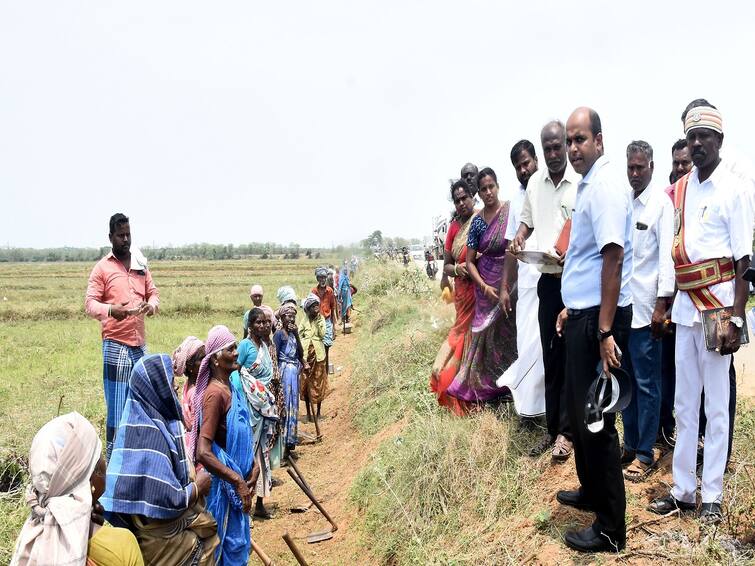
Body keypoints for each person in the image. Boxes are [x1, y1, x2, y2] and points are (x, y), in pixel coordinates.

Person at [649, 102, 753, 524]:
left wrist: (738, 316)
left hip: (718, 310)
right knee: (684, 402)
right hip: (686, 306)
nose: (696, 145)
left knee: (717, 403)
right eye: (691, 137)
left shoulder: (735, 188)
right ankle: (683, 489)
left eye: (704, 138)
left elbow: (746, 261)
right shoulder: (682, 188)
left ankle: (712, 493)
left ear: (719, 142)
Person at [554, 107, 632, 553]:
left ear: (599, 141)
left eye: (580, 139)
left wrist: (603, 332)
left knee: (597, 422)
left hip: (598, 325)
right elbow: (585, 259)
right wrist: (571, 307)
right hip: (584, 317)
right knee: (582, 417)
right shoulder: (589, 185)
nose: (573, 148)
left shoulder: (603, 186)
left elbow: (613, 258)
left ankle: (610, 529)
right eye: (569, 141)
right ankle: (591, 492)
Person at [102, 354, 219, 564]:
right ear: (156, 388)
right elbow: (163, 497)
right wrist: (196, 489)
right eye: (170, 383)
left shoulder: (146, 422)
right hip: (164, 542)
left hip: (159, 535)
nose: (175, 389)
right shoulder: (148, 436)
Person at [508, 121, 578, 460]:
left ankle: (570, 432)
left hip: (575, 281)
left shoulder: (579, 181)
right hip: (548, 281)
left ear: (565, 144)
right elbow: (527, 221)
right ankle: (556, 431)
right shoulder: (535, 184)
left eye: (556, 147)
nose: (552, 154)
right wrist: (520, 236)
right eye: (547, 148)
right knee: (552, 358)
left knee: (572, 358)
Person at [11, 412, 142, 566]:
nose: (104, 462)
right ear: (91, 480)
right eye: (98, 458)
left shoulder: (29, 543)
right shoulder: (121, 545)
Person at [620, 141, 674, 482]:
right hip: (624, 310)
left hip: (647, 311)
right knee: (625, 381)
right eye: (631, 168)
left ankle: (645, 451)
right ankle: (630, 444)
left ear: (652, 167)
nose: (635, 173)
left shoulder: (660, 205)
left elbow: (666, 259)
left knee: (647, 383)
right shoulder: (624, 204)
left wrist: (661, 305)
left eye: (641, 167)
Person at [85, 213, 159, 460]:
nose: (126, 239)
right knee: (117, 409)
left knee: (143, 405)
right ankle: (114, 462)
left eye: (128, 234)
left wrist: (152, 305)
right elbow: (90, 304)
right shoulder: (102, 268)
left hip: (140, 346)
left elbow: (154, 294)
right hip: (115, 345)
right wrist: (110, 310)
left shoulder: (140, 264)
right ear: (110, 237)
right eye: (121, 235)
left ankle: (136, 458)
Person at [446, 167, 518, 404]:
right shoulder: (477, 223)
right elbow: (469, 261)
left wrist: (504, 286)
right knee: (486, 339)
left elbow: (514, 247)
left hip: (510, 284)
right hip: (485, 288)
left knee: (510, 335)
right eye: (483, 188)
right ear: (479, 191)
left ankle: (513, 387)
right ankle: (488, 390)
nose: (488, 192)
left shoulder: (510, 212)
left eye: (491, 187)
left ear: (498, 186)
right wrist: (485, 287)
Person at [190, 325, 254, 565]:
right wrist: (236, 480)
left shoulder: (231, 388)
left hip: (240, 485)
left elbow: (242, 434)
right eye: (231, 349)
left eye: (236, 347)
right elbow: (203, 451)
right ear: (216, 358)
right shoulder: (214, 395)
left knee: (237, 547)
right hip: (223, 490)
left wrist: (254, 465)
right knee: (225, 550)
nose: (237, 353)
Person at [499, 140, 545, 419]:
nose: (523, 170)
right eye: (518, 167)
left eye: (526, 163)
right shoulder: (515, 200)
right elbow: (509, 247)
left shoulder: (549, 187)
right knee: (527, 343)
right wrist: (505, 287)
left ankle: (551, 406)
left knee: (548, 345)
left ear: (536, 160)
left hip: (554, 280)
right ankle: (531, 408)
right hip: (527, 284)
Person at [658, 139, 694, 445]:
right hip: (668, 299)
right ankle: (665, 428)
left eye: (686, 162)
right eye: (677, 163)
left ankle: (696, 434)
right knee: (666, 368)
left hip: (697, 298)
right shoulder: (666, 199)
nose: (681, 167)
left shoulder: (700, 196)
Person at [430, 179, 476, 415]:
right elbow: (446, 266)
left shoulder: (482, 219)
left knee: (477, 342)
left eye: (464, 198)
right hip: (464, 294)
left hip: (482, 291)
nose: (461, 203)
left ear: (472, 196)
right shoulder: (455, 229)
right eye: (457, 200)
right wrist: (459, 270)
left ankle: (477, 392)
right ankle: (453, 387)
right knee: (461, 338)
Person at [237, 308, 279, 519]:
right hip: (249, 407)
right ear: (250, 326)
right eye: (258, 323)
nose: (263, 326)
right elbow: (237, 374)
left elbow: (268, 376)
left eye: (265, 322)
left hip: (263, 407)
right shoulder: (245, 346)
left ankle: (260, 503)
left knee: (263, 453)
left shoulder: (264, 346)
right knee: (249, 455)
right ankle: (245, 505)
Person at [274, 303, 305, 461]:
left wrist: (297, 335)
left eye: (293, 316)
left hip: (294, 375)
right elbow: (275, 355)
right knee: (284, 407)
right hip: (284, 373)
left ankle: (289, 444)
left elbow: (300, 353)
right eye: (288, 316)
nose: (291, 318)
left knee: (293, 406)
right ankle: (282, 448)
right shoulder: (279, 335)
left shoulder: (293, 335)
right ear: (282, 318)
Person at [299, 293, 329, 420]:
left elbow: (322, 334)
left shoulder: (320, 319)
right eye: (313, 307)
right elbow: (299, 334)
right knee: (306, 384)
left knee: (318, 383)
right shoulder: (304, 320)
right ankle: (309, 414)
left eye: (317, 306)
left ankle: (318, 413)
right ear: (308, 309)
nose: (316, 309)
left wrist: (318, 322)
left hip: (318, 356)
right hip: (306, 356)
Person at [172, 336, 206, 430]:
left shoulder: (189, 384)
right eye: (202, 359)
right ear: (190, 366)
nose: (206, 361)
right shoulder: (196, 393)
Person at [313, 266, 338, 367]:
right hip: (317, 321)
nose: (322, 280)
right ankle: (320, 367)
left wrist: (334, 327)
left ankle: (326, 368)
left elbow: (332, 308)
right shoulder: (314, 292)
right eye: (320, 278)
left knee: (327, 346)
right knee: (318, 346)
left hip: (327, 321)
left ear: (326, 278)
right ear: (317, 279)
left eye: (324, 277)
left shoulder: (330, 291)